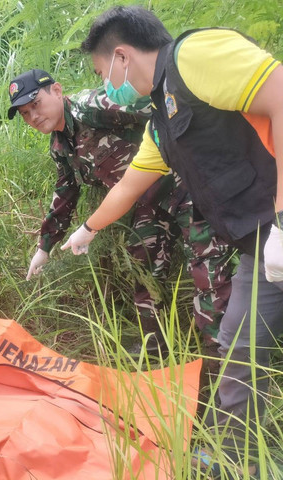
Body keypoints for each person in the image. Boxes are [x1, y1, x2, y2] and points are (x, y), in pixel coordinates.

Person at [71, 5, 283, 474]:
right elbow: (129, 185)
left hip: (278, 229)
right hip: (260, 247)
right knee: (238, 348)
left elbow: (281, 94)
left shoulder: (195, 55)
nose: (106, 84)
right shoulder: (161, 123)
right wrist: (86, 232)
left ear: (121, 57)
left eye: (101, 72)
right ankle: (239, 461)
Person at [7, 69, 233, 351]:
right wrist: (44, 247)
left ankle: (222, 358)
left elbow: (161, 109)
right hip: (149, 201)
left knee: (206, 266)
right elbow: (66, 191)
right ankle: (154, 344)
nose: (33, 116)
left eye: (35, 104)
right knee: (141, 259)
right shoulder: (59, 143)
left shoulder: (92, 107)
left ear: (56, 91)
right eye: (25, 114)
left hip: (186, 184)